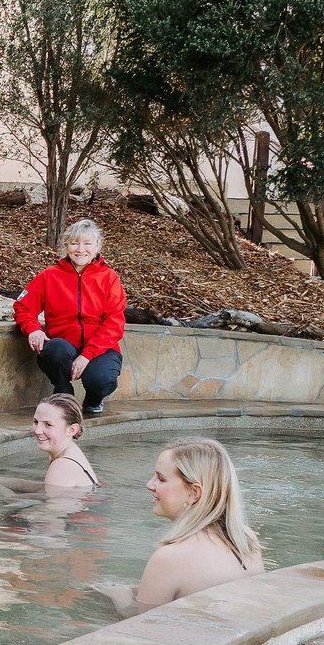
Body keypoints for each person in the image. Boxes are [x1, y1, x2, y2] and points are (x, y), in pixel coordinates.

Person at [102, 438, 264, 615]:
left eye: (161, 479)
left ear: (194, 493)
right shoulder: (247, 539)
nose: (149, 484)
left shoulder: (169, 558)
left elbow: (143, 627)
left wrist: (119, 597)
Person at [13, 218, 126, 416]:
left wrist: (86, 355)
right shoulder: (50, 276)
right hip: (63, 344)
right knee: (54, 350)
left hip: (99, 348)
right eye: (74, 243)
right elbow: (23, 306)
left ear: (97, 246)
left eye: (87, 244)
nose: (80, 249)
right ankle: (64, 392)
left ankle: (93, 399)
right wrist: (33, 329)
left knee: (101, 380)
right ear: (66, 246)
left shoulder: (109, 278)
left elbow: (114, 323)